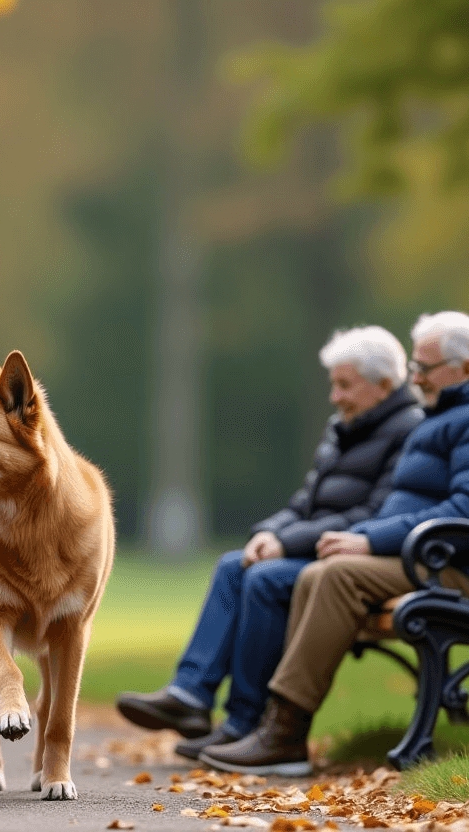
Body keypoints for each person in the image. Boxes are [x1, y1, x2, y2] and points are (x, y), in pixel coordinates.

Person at [116, 326, 423, 760]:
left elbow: (372, 517)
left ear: (385, 386)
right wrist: (269, 532)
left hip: (350, 555)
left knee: (265, 579)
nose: (334, 396)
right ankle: (190, 697)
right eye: (333, 383)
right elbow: (304, 503)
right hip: (316, 548)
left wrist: (287, 544)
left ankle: (245, 721)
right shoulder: (344, 427)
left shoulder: (407, 431)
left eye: (344, 385)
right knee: (232, 564)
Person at [199, 311, 469, 776]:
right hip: (417, 556)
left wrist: (367, 539)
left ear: (463, 368)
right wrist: (366, 538)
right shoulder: (436, 418)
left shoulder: (461, 421)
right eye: (416, 366)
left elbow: (462, 512)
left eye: (425, 368)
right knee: (318, 573)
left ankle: (283, 731)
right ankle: (281, 731)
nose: (416, 376)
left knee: (338, 576)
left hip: (448, 562)